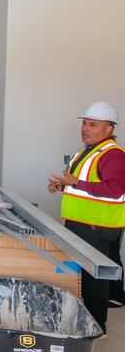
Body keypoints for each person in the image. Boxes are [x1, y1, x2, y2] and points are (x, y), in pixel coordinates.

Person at [48, 102, 125, 333]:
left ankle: (96, 327)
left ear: (108, 129)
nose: (85, 128)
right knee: (104, 267)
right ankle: (116, 297)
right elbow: (82, 184)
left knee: (94, 277)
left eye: (93, 124)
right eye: (84, 123)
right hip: (84, 221)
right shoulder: (87, 151)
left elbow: (116, 190)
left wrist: (75, 183)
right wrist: (62, 186)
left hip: (97, 224)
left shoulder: (114, 156)